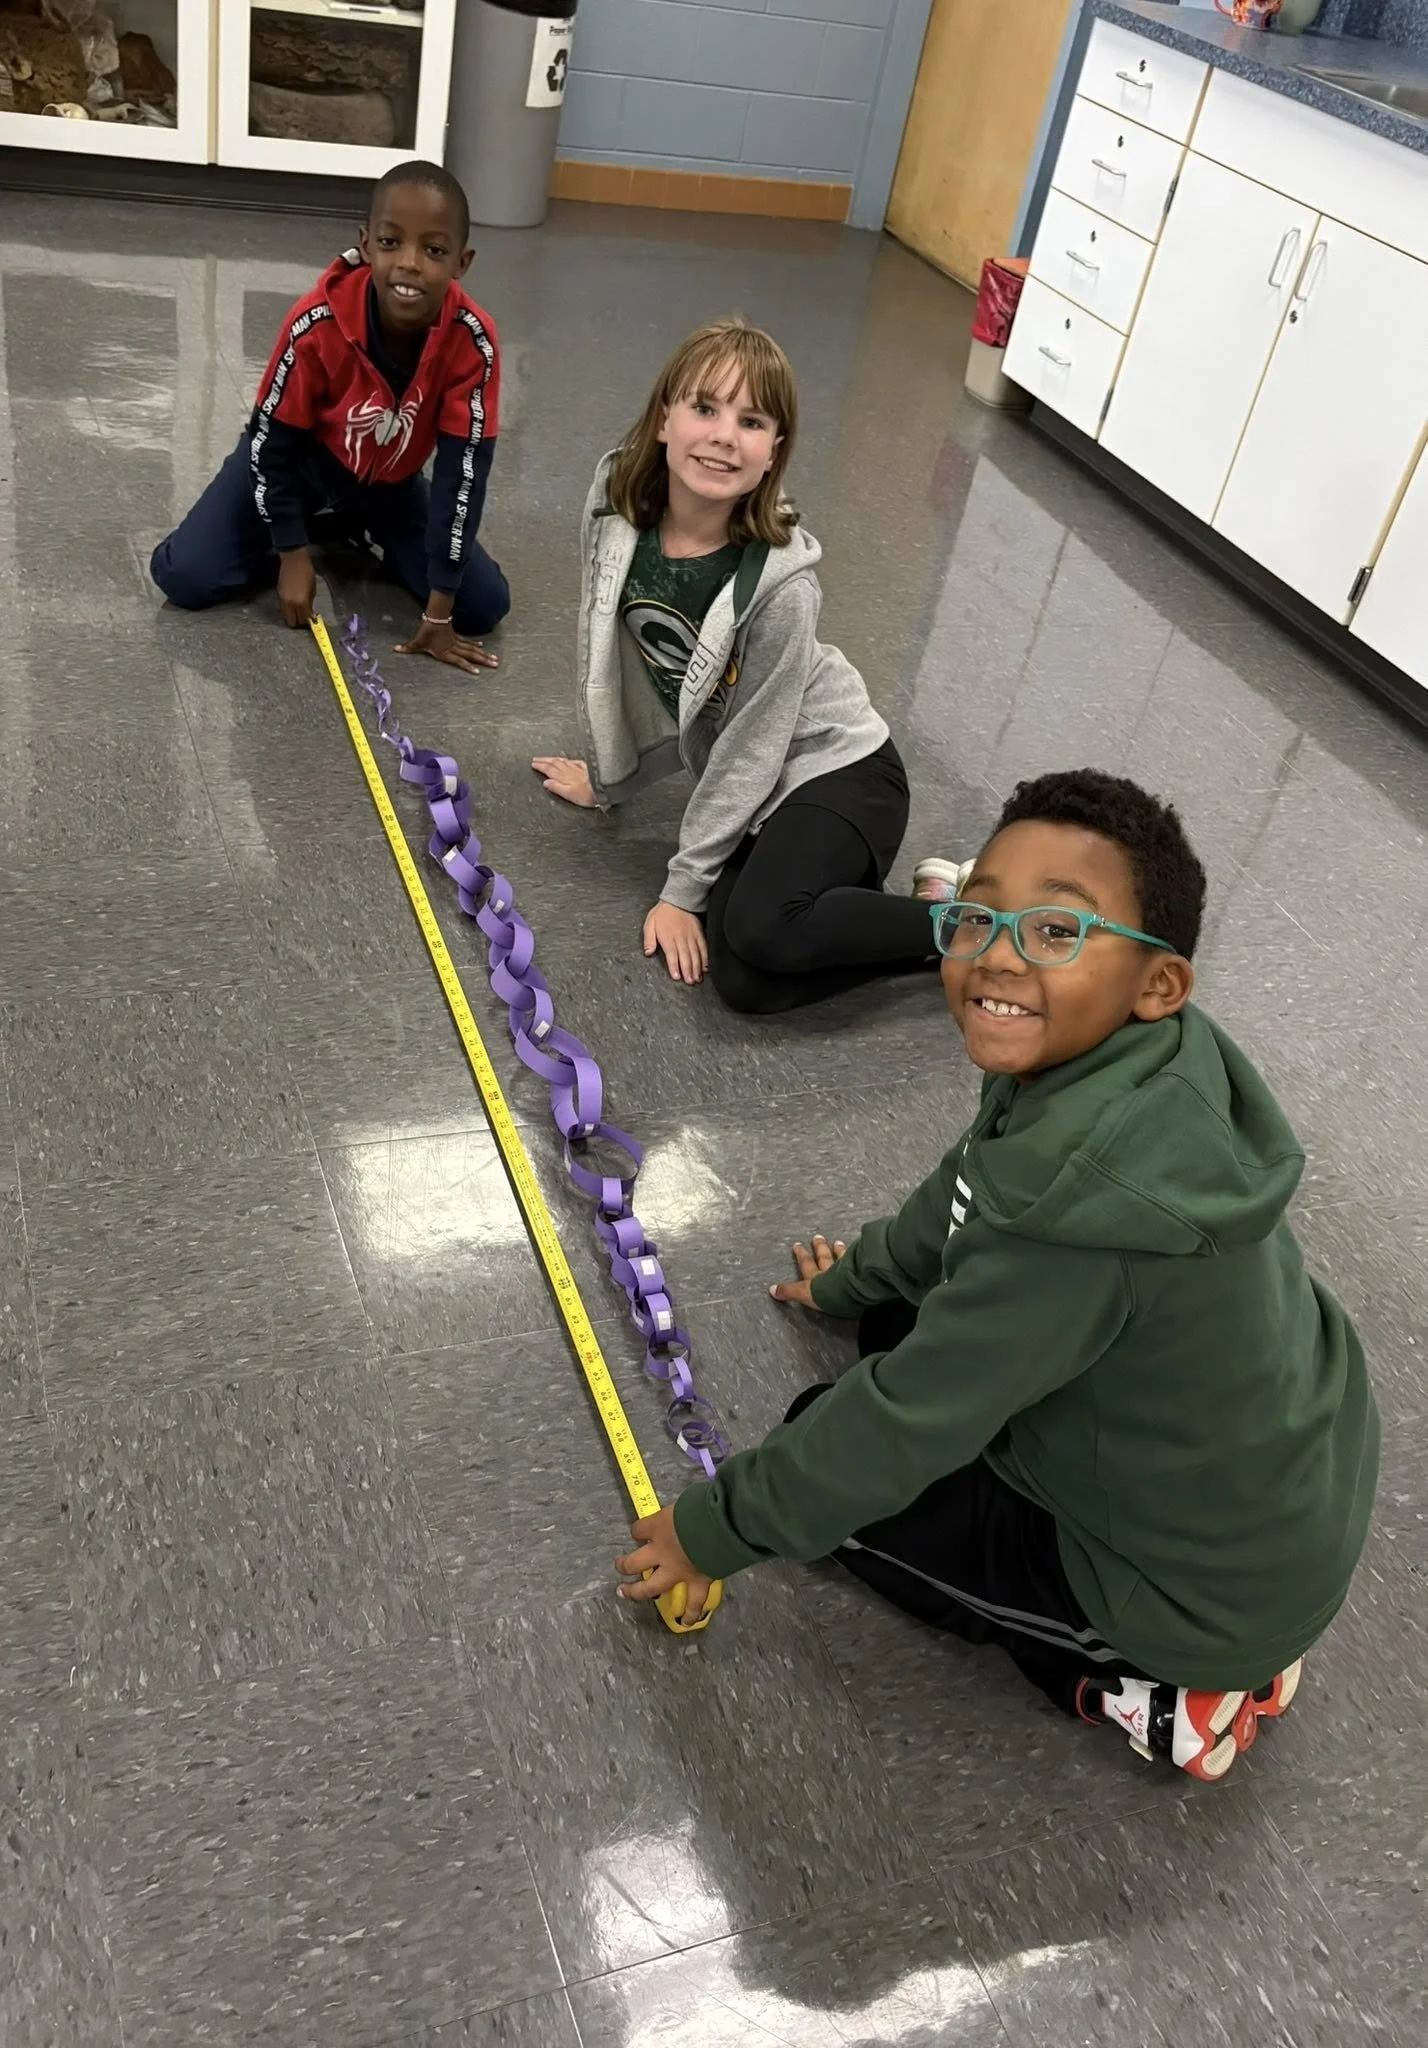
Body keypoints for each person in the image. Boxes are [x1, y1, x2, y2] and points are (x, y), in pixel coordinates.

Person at [616, 769, 1381, 1782]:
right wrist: (860, 1279)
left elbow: (904, 1422)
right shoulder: (1127, 1056)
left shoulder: (1082, 1222)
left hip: (1191, 1591)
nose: (994, 954)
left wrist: (713, 1528)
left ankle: (1167, 1697)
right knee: (894, 1325)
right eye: (978, 914)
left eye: (1057, 931)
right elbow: (978, 1182)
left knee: (833, 1471)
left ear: (1160, 982)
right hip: (1261, 1464)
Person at [531, 318, 963, 1014]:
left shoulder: (783, 588)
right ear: (664, 418)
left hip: (841, 771)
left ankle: (967, 930)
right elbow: (616, 662)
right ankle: (905, 911)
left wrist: (680, 891)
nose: (725, 434)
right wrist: (612, 778)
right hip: (763, 794)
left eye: (752, 420)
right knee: (746, 981)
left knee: (763, 929)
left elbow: (752, 743)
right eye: (705, 408)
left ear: (774, 452)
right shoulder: (617, 515)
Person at [150, 160, 508, 676]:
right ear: (366, 245)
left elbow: (463, 476)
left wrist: (439, 609)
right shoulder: (316, 323)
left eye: (433, 250)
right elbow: (269, 444)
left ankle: (348, 525)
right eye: (390, 243)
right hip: (297, 468)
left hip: (391, 486)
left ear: (461, 261)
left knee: (482, 606)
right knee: (184, 577)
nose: (409, 264)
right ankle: (303, 524)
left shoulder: (474, 342)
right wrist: (292, 551)